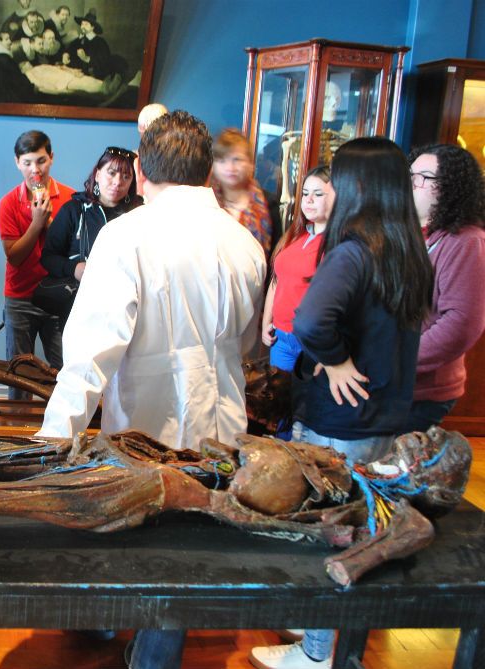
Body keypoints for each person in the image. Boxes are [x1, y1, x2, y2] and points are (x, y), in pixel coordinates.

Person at [38, 110, 266, 669]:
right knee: (190, 547)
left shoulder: (125, 236)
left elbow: (90, 356)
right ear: (207, 174)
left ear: (141, 171)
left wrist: (50, 442)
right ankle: (151, 654)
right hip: (223, 421)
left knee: (129, 529)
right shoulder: (245, 244)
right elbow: (248, 347)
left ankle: (107, 623)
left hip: (142, 424)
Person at [250, 137, 434, 669]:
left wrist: (332, 360)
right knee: (359, 525)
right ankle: (327, 639)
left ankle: (315, 652)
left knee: (331, 532)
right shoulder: (408, 246)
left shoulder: (354, 248)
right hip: (381, 413)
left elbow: (309, 320)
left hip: (337, 418)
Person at [403, 144, 485, 432]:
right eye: (411, 174)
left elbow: (462, 324)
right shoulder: (414, 231)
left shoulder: (466, 241)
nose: (412, 183)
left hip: (423, 389)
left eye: (423, 177)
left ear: (451, 186)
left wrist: (397, 359)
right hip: (396, 381)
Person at [0, 130, 75, 398]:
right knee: (19, 376)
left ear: (51, 158)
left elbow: (75, 255)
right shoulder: (8, 203)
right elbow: (14, 257)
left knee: (66, 373)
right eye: (28, 162)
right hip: (21, 299)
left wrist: (50, 224)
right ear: (17, 162)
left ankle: (61, 435)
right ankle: (17, 437)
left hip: (60, 297)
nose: (35, 170)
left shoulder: (71, 199)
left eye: (41, 161)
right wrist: (36, 224)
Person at [40, 145, 138, 322]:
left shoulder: (138, 215)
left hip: (125, 313)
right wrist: (74, 269)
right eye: (112, 173)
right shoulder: (74, 210)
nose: (118, 182)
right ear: (98, 173)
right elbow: (48, 257)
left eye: (126, 176)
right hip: (78, 311)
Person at [261, 166, 335, 373]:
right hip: (280, 336)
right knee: (278, 399)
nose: (309, 200)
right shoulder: (294, 236)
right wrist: (267, 321)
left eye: (318, 194)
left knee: (306, 402)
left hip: (312, 341)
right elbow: (277, 281)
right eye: (305, 193)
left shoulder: (339, 246)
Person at [211, 128, 279, 255]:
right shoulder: (206, 201)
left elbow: (276, 256)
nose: (230, 167)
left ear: (251, 163)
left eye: (237, 159)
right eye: (222, 160)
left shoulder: (269, 203)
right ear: (213, 165)